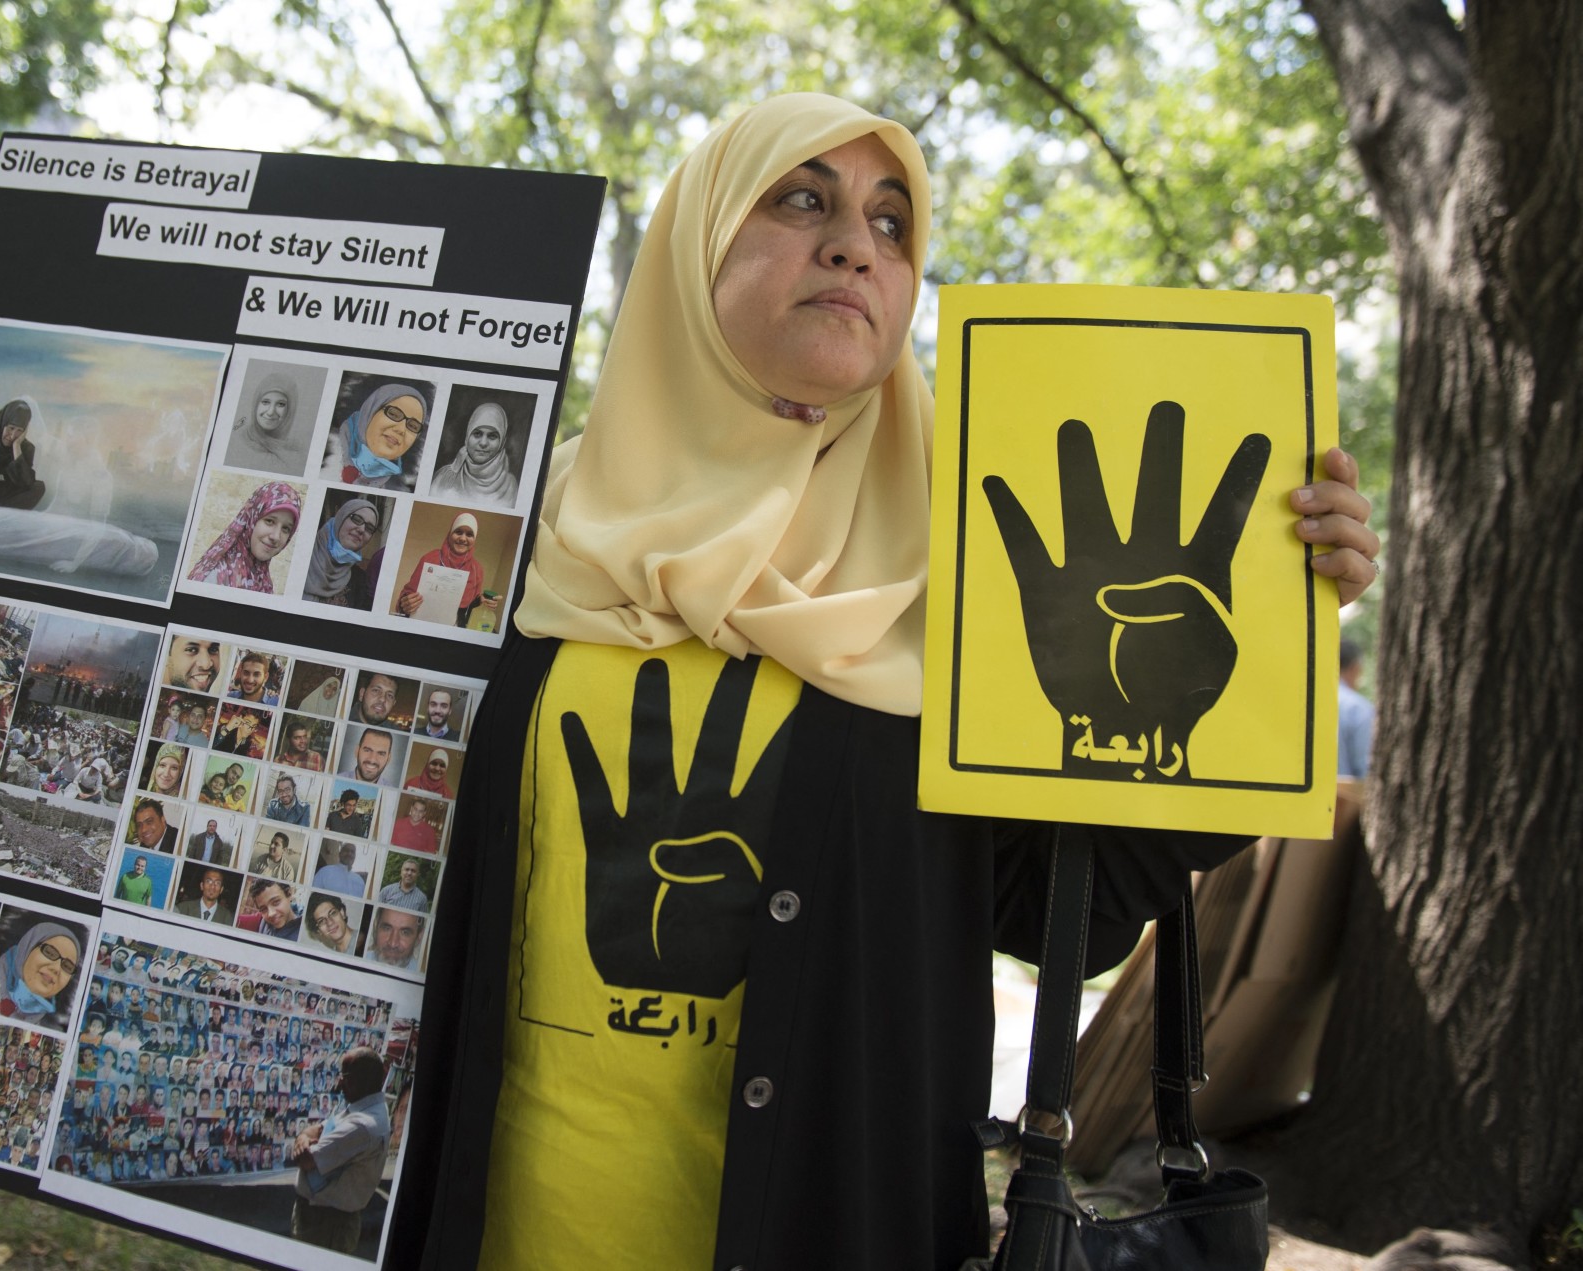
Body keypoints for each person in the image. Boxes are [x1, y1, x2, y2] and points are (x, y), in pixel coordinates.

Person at [392, 94, 1382, 1271]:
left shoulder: (958, 582)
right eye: (802, 198)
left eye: (894, 221)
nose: (857, 242)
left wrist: (1225, 678)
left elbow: (1067, 911)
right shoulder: (509, 540)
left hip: (839, 1223)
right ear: (692, 243)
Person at [290, 1046, 392, 1253]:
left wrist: (301, 1140)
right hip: (320, 1219)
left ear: (357, 1080)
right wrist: (303, 1136)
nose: (339, 1082)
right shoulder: (364, 1107)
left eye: (344, 1076)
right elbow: (316, 1129)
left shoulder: (362, 1126)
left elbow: (307, 1160)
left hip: (327, 1225)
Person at [187, 481, 302, 593]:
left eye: (286, 529)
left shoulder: (262, 578)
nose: (276, 536)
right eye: (269, 521)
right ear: (251, 519)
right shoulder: (216, 577)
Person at [395, 511, 500, 628]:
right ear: (450, 533)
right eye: (458, 532)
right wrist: (405, 603)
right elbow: (408, 593)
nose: (463, 538)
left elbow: (471, 606)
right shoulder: (430, 558)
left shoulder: (476, 569)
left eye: (469, 534)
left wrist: (484, 603)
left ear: (474, 539)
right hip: (419, 625)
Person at [318, 383, 430, 493]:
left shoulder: (398, 490)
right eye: (394, 414)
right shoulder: (320, 456)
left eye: (413, 426)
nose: (401, 429)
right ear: (370, 410)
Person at [0, 922, 80, 1030]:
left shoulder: (53, 1029)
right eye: (50, 953)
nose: (56, 968)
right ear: (27, 947)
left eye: (67, 966)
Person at [429, 400, 520, 507]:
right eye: (477, 434)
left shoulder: (510, 485)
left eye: (492, 436)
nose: (483, 443)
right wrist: (454, 469)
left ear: (502, 442)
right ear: (467, 437)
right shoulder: (446, 476)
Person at [302, 499, 382, 608]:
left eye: (369, 528)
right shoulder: (300, 554)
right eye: (357, 519)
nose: (362, 529)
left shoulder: (360, 582)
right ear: (341, 517)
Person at [1338, 637, 1375, 781]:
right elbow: (1367, 772)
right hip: (1343, 802)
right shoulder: (1357, 709)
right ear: (1355, 668)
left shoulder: (1298, 700)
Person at [240, 879, 304, 942]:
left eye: (276, 902)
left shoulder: (303, 934)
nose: (271, 914)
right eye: (263, 909)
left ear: (289, 894)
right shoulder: (263, 923)